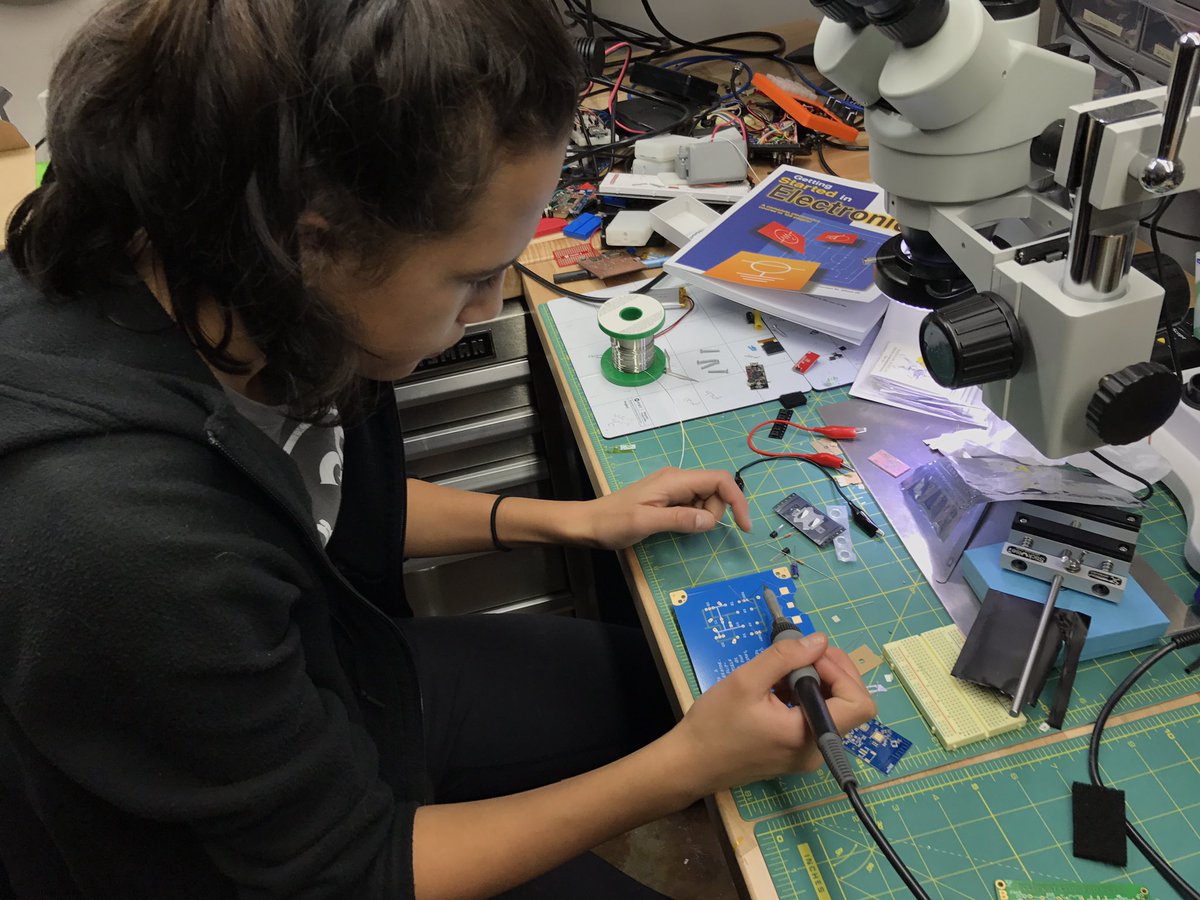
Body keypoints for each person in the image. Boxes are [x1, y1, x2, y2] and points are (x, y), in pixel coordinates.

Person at [0, 1, 876, 897]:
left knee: (668, 681)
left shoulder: (230, 273)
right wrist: (689, 765)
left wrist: (576, 520)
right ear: (313, 244)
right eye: (473, 274)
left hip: (346, 684)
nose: (490, 306)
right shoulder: (118, 538)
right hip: (253, 865)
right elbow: (358, 871)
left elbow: (309, 497)